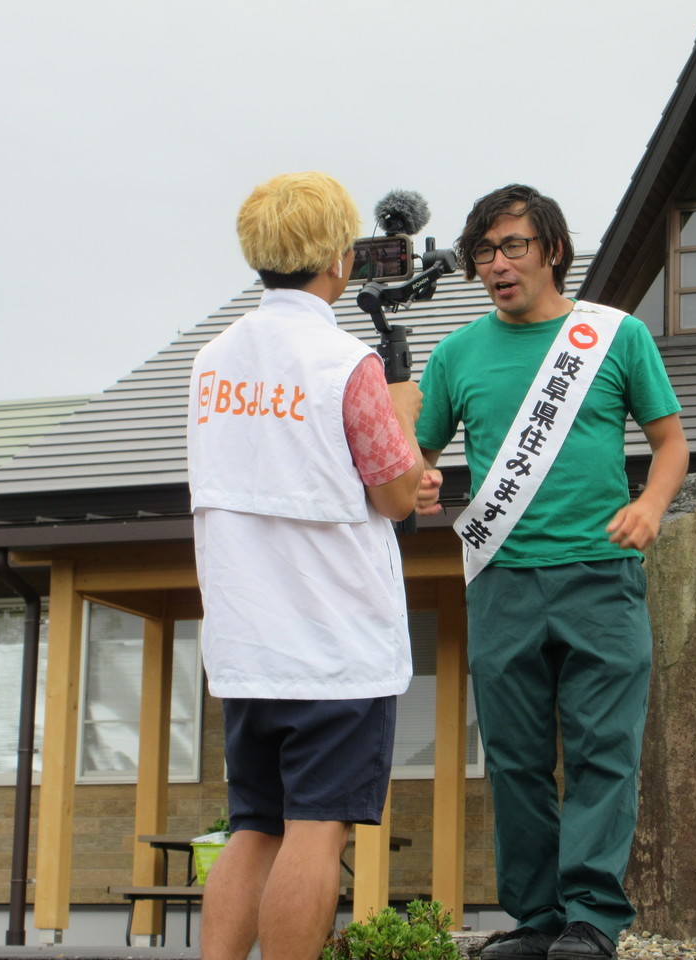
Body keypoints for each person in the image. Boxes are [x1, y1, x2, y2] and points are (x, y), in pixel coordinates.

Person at [415, 184, 688, 960]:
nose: (497, 265)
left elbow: (672, 444)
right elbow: (417, 457)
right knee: (513, 756)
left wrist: (652, 505)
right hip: (501, 578)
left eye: (513, 247)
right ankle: (535, 921)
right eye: (484, 252)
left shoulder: (614, 337)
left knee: (606, 749)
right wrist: (422, 480)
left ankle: (592, 921)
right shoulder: (457, 354)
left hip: (602, 573)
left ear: (553, 250)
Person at [186, 171, 425, 960]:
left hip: (248, 637)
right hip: (334, 640)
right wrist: (410, 443)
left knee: (252, 826)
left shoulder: (212, 362)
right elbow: (394, 495)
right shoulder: (345, 363)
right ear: (337, 258)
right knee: (317, 830)